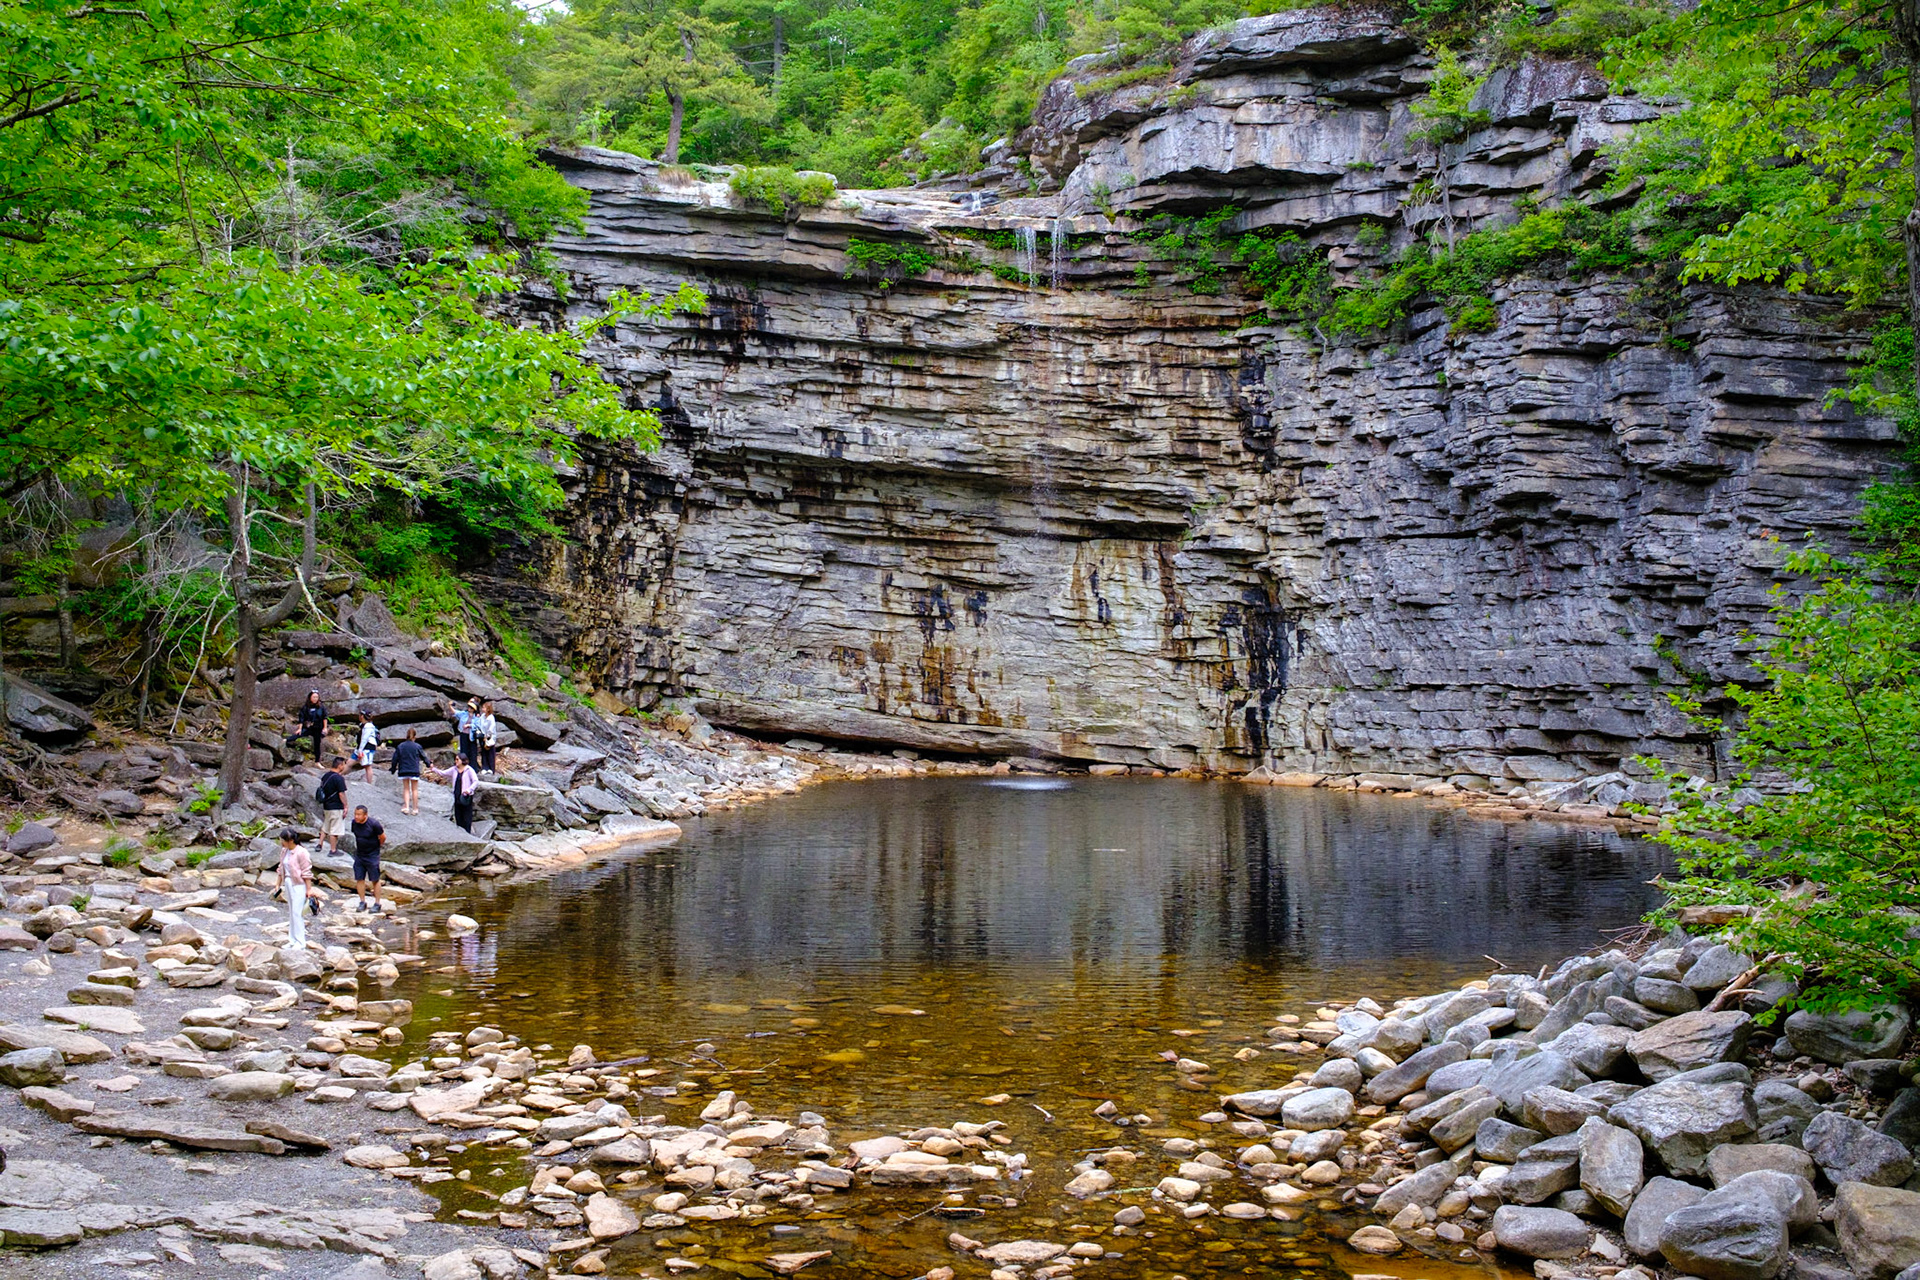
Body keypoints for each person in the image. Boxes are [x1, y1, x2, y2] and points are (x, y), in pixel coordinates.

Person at [273, 827, 314, 949]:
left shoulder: (301, 852)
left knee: (297, 913)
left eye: (283, 840)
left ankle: (300, 942)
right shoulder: (284, 851)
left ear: (290, 840)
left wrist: (309, 889)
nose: (281, 842)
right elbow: (281, 868)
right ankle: (292, 940)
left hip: (299, 884)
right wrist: (278, 884)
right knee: (291, 912)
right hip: (288, 882)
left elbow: (306, 871)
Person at [348, 804, 386, 913]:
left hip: (372, 855)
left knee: (375, 879)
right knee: (359, 878)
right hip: (360, 854)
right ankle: (362, 902)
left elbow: (383, 837)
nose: (356, 816)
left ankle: (377, 903)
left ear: (365, 815)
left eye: (359, 815)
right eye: (355, 814)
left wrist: (376, 846)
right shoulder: (354, 823)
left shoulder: (374, 824)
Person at [434, 753, 480, 832]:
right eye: (456, 759)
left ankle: (467, 832)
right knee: (458, 814)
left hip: (465, 796)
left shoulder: (469, 770)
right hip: (457, 794)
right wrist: (434, 769)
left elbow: (475, 781)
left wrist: (469, 790)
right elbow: (443, 773)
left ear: (462, 760)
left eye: (457, 759)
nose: (456, 761)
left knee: (466, 815)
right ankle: (460, 831)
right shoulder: (454, 769)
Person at [317, 756, 349, 856]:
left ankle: (319, 844)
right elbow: (341, 794)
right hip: (336, 806)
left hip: (326, 805)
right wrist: (346, 806)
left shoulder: (325, 776)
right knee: (334, 829)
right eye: (343, 764)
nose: (344, 766)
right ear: (340, 766)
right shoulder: (338, 778)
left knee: (326, 826)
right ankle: (333, 850)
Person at [391, 726, 426, 815]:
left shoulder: (401, 746)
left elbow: (395, 758)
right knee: (414, 789)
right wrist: (429, 764)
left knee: (406, 788)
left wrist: (393, 768)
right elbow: (423, 756)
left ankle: (406, 807)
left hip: (404, 770)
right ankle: (415, 809)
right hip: (414, 769)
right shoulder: (417, 746)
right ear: (414, 737)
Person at [289, 690, 328, 761]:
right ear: (310, 697)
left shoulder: (321, 707)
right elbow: (301, 718)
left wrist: (325, 728)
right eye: (314, 697)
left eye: (317, 697)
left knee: (317, 743)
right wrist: (300, 728)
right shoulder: (305, 707)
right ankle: (286, 740)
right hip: (309, 727)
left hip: (318, 727)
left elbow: (324, 717)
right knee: (299, 734)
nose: (315, 699)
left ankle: (317, 761)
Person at [453, 698, 479, 770]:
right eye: (469, 707)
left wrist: (469, 725)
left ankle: (473, 768)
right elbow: (455, 713)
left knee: (472, 751)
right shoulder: (464, 714)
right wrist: (450, 706)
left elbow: (478, 725)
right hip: (463, 734)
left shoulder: (476, 717)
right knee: (463, 750)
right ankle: (463, 766)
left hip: (471, 736)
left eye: (471, 707)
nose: (469, 708)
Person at [354, 712, 379, 783]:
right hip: (369, 746)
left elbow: (365, 738)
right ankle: (369, 782)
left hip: (368, 746)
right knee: (366, 766)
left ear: (362, 716)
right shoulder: (364, 725)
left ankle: (369, 783)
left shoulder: (368, 726)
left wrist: (360, 750)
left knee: (368, 765)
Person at [476, 701, 499, 774]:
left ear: (488, 709)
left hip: (490, 737)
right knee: (483, 752)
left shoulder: (491, 718)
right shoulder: (482, 717)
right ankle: (484, 767)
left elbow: (491, 728)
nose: (482, 709)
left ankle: (491, 768)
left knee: (490, 753)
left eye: (484, 707)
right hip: (482, 736)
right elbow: (479, 724)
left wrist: (487, 736)